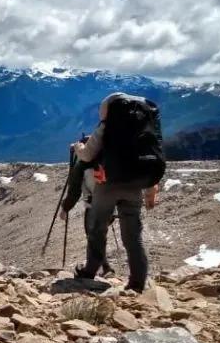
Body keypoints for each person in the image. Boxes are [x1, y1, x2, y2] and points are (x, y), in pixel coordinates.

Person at [70, 93, 159, 293]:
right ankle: (137, 282)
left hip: (108, 185)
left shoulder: (107, 126)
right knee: (133, 235)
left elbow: (87, 155)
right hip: (134, 185)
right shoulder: (142, 127)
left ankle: (89, 271)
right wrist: (150, 190)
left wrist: (78, 147)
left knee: (97, 229)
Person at [59, 155, 114, 277]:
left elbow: (74, 192)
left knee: (93, 237)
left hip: (93, 206)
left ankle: (91, 271)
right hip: (110, 205)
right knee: (100, 236)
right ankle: (105, 268)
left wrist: (65, 208)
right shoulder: (108, 158)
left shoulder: (83, 165)